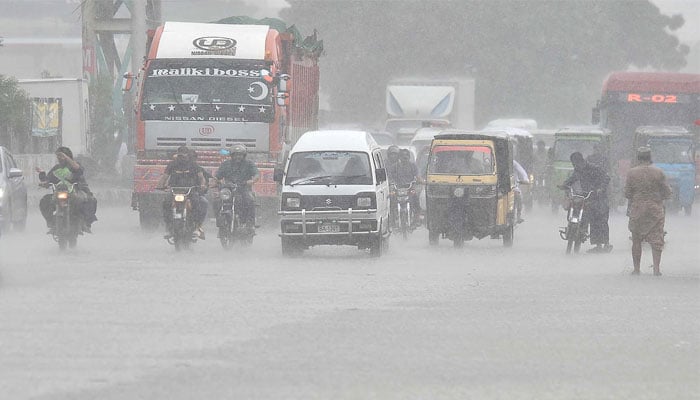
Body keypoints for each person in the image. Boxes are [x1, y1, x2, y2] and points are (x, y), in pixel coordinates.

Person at [624, 147, 672, 276]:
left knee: (636, 239)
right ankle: (656, 269)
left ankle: (636, 269)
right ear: (650, 157)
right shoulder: (658, 172)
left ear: (638, 157)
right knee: (657, 239)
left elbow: (627, 193)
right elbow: (667, 192)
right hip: (655, 209)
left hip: (637, 208)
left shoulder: (631, 173)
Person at [36, 146, 98, 234]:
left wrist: (67, 158)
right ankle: (51, 223)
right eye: (58, 156)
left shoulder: (74, 166)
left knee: (89, 200)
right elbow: (47, 180)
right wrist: (42, 175)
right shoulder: (56, 169)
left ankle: (85, 223)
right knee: (44, 201)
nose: (59, 158)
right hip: (59, 193)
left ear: (68, 156)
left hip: (75, 192)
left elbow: (79, 170)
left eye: (62, 156)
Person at [559, 151, 612, 253]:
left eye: (576, 163)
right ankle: (577, 230)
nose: (575, 166)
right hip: (586, 197)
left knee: (599, 219)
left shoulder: (594, 168)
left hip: (598, 197)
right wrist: (564, 185)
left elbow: (606, 177)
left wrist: (600, 188)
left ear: (581, 161)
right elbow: (572, 179)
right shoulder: (577, 170)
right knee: (583, 213)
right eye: (573, 164)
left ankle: (602, 244)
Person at [156, 146, 207, 239]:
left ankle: (196, 227)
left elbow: (201, 177)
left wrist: (202, 185)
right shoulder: (172, 165)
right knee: (166, 203)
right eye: (179, 156)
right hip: (174, 190)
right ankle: (168, 227)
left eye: (183, 156)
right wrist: (159, 185)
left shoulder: (193, 165)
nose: (181, 158)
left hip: (190, 190)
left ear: (187, 156)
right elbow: (164, 177)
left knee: (197, 203)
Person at [214, 144, 259, 231]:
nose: (238, 157)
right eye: (235, 154)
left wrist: (252, 181)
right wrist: (215, 181)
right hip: (228, 190)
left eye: (240, 154)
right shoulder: (225, 164)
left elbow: (256, 174)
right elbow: (217, 176)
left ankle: (250, 223)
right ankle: (219, 220)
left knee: (250, 200)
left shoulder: (249, 164)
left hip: (243, 188)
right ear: (232, 155)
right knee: (217, 201)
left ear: (244, 155)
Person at [513, 159, 529, 223]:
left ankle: (518, 216)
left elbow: (522, 171)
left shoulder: (513, 163)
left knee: (519, 198)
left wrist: (525, 179)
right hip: (502, 188)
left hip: (514, 188)